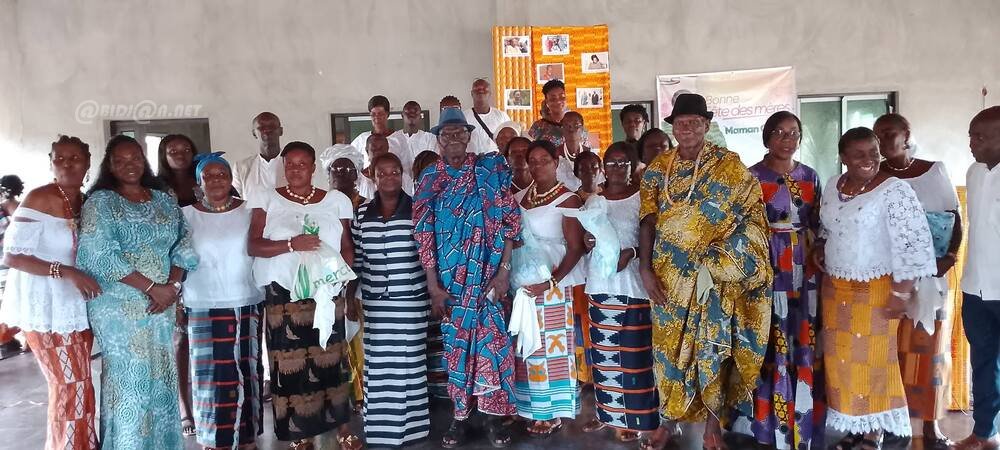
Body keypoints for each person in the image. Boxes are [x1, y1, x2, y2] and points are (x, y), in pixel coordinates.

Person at [637, 93, 772, 450]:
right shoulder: (657, 169)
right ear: (673, 127)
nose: (686, 129)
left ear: (706, 125)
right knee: (667, 352)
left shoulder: (729, 166)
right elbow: (647, 221)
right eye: (680, 123)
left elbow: (753, 218)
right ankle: (668, 420)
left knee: (713, 348)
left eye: (694, 122)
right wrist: (645, 269)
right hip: (667, 278)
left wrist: (718, 262)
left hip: (712, 276)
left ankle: (713, 428)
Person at [814, 127, 936, 449]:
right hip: (835, 288)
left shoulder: (894, 190)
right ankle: (855, 426)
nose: (868, 159)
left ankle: (875, 432)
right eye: (859, 154)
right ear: (844, 158)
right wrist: (820, 247)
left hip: (876, 289)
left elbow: (913, 243)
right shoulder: (834, 185)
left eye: (873, 152)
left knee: (874, 360)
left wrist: (901, 292)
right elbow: (828, 227)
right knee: (842, 362)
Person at [76, 134, 199, 449]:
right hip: (120, 308)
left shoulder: (163, 199)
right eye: (120, 160)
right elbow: (100, 254)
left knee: (161, 374)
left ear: (144, 160)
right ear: (109, 166)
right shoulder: (101, 202)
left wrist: (172, 287)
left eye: (135, 158)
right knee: (131, 379)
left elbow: (184, 242)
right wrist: (152, 288)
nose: (129, 165)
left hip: (162, 304)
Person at [413, 108, 520, 448]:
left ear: (469, 136)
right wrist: (433, 286)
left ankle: (492, 417)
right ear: (438, 140)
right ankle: (460, 416)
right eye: (447, 134)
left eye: (461, 132)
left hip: (488, 279)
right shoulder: (430, 178)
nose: (455, 139)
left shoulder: (490, 170)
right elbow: (424, 235)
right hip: (451, 284)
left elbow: (509, 223)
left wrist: (503, 272)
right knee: (456, 350)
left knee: (491, 346)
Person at [247, 141, 361, 450]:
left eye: (302, 164)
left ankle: (342, 428)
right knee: (290, 364)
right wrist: (290, 245)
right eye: (290, 164)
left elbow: (346, 246)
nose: (296, 169)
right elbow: (254, 245)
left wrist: (340, 282)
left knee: (333, 358)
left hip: (327, 290)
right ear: (283, 167)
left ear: (313, 167)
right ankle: (300, 432)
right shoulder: (267, 198)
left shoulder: (336, 200)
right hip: (284, 294)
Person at [731, 111, 826, 449]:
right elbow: (738, 226)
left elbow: (820, 223)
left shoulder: (810, 176)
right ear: (767, 137)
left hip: (805, 268)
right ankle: (766, 425)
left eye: (794, 133)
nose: (788, 139)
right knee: (768, 340)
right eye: (780, 133)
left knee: (802, 338)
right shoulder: (751, 176)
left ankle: (802, 421)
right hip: (766, 266)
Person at [0, 136, 99, 450]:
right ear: (51, 162)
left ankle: (83, 444)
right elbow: (13, 256)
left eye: (75, 158)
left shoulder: (85, 200)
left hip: (75, 307)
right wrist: (66, 271)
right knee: (69, 385)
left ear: (88, 162)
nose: (67, 164)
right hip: (45, 309)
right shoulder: (39, 197)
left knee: (81, 385)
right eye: (60, 158)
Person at [874, 113, 962, 449]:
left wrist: (950, 257)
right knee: (891, 354)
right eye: (878, 135)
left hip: (931, 277)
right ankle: (891, 425)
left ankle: (930, 426)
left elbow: (955, 218)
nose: (883, 141)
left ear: (906, 134)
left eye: (889, 133)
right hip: (890, 279)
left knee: (931, 352)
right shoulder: (877, 176)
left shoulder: (934, 171)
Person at [181, 152, 265, 450]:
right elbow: (177, 259)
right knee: (210, 378)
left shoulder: (250, 211)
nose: (216, 180)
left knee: (246, 373)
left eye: (222, 174)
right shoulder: (185, 215)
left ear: (231, 179)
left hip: (245, 301)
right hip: (202, 305)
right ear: (199, 182)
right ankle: (211, 439)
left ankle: (247, 439)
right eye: (209, 176)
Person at [350, 152, 431, 449]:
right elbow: (357, 258)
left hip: (410, 300)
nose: (389, 177)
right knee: (379, 366)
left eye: (395, 171)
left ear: (402, 174)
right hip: (375, 302)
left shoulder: (418, 210)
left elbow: (428, 257)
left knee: (409, 364)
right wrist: (349, 297)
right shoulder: (361, 214)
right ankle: (381, 429)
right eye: (382, 173)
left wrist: (433, 292)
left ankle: (412, 430)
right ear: (373, 177)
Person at [580, 142, 658, 443]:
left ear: (632, 166)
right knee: (606, 359)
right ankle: (609, 416)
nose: (616, 168)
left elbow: (655, 238)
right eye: (610, 163)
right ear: (603, 167)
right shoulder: (594, 201)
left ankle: (638, 419)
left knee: (635, 359)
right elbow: (588, 238)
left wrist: (633, 253)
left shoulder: (642, 197)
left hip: (633, 287)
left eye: (622, 163)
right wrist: (587, 240)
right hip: (600, 288)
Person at [512, 140, 586, 436]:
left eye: (544, 160)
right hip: (523, 282)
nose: (538, 165)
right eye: (532, 160)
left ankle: (552, 412)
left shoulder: (568, 199)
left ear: (556, 163)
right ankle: (530, 407)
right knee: (527, 347)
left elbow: (576, 247)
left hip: (553, 284)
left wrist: (551, 282)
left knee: (551, 349)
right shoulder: (521, 196)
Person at [953, 106, 1000, 450]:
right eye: (971, 135)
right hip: (976, 289)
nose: (972, 143)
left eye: (980, 137)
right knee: (983, 364)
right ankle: (984, 434)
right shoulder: (973, 172)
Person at [155, 133, 199, 436]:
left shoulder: (207, 178)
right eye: (173, 150)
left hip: (207, 267)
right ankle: (185, 408)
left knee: (206, 340)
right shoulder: (156, 188)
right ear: (164, 155)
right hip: (171, 269)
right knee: (179, 340)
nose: (180, 154)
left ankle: (210, 400)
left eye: (186, 149)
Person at [319, 143, 368, 413]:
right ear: (327, 175)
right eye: (335, 170)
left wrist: (350, 294)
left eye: (347, 170)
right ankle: (338, 400)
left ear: (357, 174)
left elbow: (359, 253)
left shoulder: (365, 207)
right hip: (326, 288)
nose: (341, 174)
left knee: (358, 344)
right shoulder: (320, 207)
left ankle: (360, 398)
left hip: (358, 289)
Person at [350, 96, 415, 179]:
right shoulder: (362, 139)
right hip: (368, 185)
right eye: (373, 114)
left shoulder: (400, 139)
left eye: (380, 114)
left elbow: (407, 170)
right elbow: (349, 161)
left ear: (387, 114)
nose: (376, 117)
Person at [0, 173, 26, 358]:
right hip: (25, 263)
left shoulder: (2, 210)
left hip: (6, 264)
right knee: (21, 298)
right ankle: (18, 338)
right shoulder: (25, 207)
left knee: (7, 302)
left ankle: (6, 339)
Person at [359, 134, 414, 198]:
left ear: (387, 149)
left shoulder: (403, 178)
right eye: (374, 149)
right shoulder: (359, 179)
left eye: (381, 149)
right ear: (367, 151)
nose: (378, 153)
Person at [557, 111, 599, 192]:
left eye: (576, 125)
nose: (571, 129)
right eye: (567, 125)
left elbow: (600, 184)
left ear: (582, 129)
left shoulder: (591, 154)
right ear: (562, 129)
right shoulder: (554, 155)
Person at [529, 80, 569, 146]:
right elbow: (532, 148)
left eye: (562, 97)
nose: (558, 101)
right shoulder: (538, 126)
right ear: (547, 102)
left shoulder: (575, 122)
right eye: (553, 99)